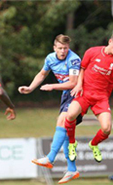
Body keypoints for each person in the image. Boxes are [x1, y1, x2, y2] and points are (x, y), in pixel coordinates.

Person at [18, 34, 82, 184]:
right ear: (54, 48)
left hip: (78, 93)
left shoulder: (73, 59)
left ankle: (50, 157)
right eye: (60, 48)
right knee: (65, 128)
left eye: (65, 48)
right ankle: (72, 169)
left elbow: (73, 83)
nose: (63, 51)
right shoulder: (50, 58)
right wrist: (30, 88)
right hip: (67, 95)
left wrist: (52, 86)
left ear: (68, 48)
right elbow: (42, 74)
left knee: (62, 121)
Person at [64, 31, 113, 163]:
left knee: (107, 129)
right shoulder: (92, 52)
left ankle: (93, 144)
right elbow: (82, 68)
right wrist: (79, 85)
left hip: (101, 98)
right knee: (70, 115)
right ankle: (72, 144)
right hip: (85, 93)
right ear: (110, 41)